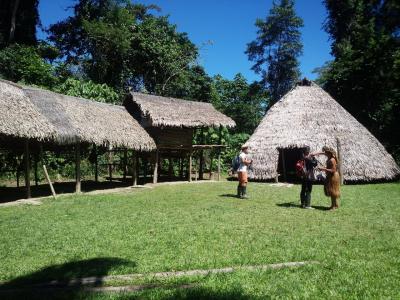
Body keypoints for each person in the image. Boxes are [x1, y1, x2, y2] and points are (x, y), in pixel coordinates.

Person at [317, 146, 341, 210]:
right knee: (332, 191)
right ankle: (335, 204)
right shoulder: (330, 158)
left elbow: (333, 170)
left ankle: (333, 206)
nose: (325, 154)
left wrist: (323, 169)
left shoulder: (332, 160)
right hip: (331, 176)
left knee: (333, 191)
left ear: (329, 153)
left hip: (333, 176)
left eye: (326, 153)